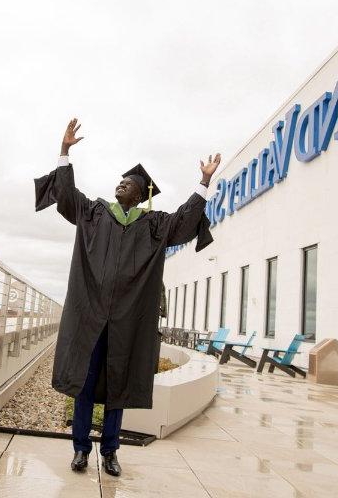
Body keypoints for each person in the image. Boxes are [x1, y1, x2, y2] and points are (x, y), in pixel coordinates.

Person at [34, 118, 220, 476]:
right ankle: (80, 449)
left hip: (127, 320)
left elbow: (185, 220)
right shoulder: (94, 212)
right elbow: (67, 198)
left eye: (129, 183)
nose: (121, 184)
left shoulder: (153, 225)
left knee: (118, 385)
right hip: (90, 316)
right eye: (120, 181)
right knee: (85, 386)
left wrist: (204, 181)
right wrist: (64, 152)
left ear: (140, 194)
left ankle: (110, 451)